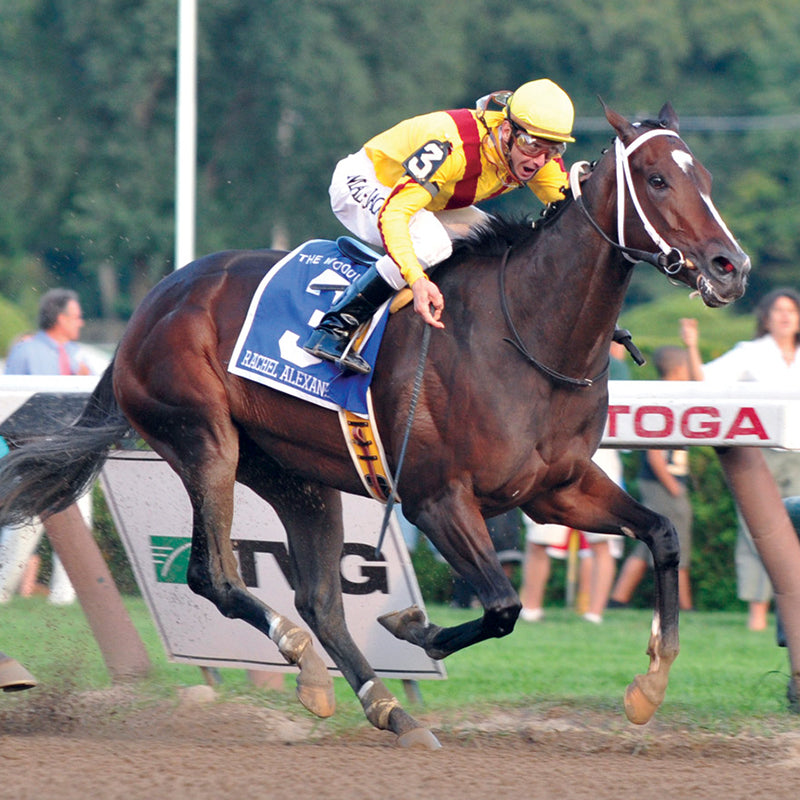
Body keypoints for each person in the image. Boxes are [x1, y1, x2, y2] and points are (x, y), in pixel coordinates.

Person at [303, 78, 575, 373]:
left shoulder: (535, 156)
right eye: (532, 146)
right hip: (366, 181)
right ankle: (334, 327)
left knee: (502, 244)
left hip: (423, 199)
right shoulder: (452, 147)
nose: (540, 160)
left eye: (553, 150)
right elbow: (395, 213)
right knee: (432, 243)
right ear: (507, 131)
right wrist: (416, 278)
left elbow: (576, 209)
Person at [681, 287, 800, 630]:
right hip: (762, 456)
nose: (785, 316)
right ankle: (758, 615)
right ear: (766, 317)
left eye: (791, 310)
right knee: (757, 533)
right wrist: (691, 345)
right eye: (778, 310)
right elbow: (703, 379)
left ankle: (792, 614)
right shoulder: (752, 353)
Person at [0, 288, 92, 605]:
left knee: (82, 526)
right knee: (27, 525)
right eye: (76, 316)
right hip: (38, 455)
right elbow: (9, 406)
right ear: (60, 318)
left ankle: (64, 599)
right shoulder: (27, 351)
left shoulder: (79, 355)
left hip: (74, 452)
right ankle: (1, 587)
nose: (81, 322)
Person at [608, 346, 695, 612]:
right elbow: (656, 454)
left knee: (649, 547)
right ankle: (684, 606)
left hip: (659, 483)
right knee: (674, 542)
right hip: (663, 484)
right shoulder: (664, 397)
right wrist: (674, 488)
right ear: (680, 370)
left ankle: (618, 599)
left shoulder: (664, 393)